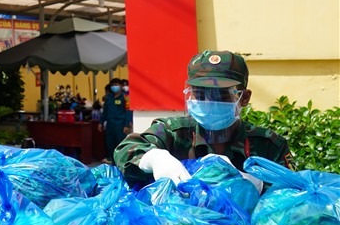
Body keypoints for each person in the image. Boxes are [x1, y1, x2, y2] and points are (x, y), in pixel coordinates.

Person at [114, 50, 289, 188]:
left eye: (220, 95)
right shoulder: (174, 133)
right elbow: (126, 149)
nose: (208, 102)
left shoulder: (268, 146)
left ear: (244, 98)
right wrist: (155, 158)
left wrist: (259, 186)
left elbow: (296, 197)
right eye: (199, 94)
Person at [99, 78, 132, 164]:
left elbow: (128, 111)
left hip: (120, 125)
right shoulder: (108, 98)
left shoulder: (125, 97)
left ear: (121, 86)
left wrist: (127, 125)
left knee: (120, 145)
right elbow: (105, 111)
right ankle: (113, 163)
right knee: (110, 145)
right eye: (113, 85)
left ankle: (121, 163)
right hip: (110, 125)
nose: (114, 87)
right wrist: (101, 122)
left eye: (116, 85)